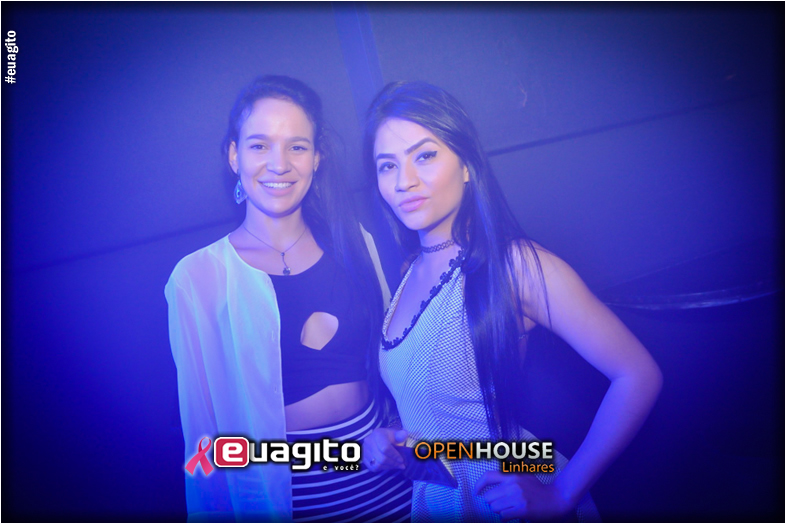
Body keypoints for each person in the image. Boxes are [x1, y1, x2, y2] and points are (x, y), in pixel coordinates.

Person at [360, 81, 663, 522]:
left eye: (424, 156)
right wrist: (391, 438)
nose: (404, 181)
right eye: (387, 165)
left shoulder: (514, 264)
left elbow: (638, 374)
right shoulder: (409, 272)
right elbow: (442, 410)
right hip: (440, 498)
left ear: (466, 164)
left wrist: (563, 491)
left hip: (504, 495)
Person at [165, 75, 411, 522]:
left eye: (297, 146)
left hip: (390, 481)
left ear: (316, 158)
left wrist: (397, 432)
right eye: (260, 145)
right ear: (234, 155)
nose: (279, 164)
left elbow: (396, 362)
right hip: (293, 497)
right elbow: (202, 426)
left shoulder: (354, 242)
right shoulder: (198, 278)